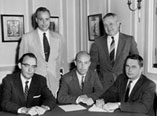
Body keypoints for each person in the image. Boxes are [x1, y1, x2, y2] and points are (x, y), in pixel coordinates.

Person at [19, 7, 65, 98]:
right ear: (36, 20)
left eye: (47, 19)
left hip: (54, 83)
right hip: (35, 81)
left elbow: (62, 61)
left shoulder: (58, 38)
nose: (44, 23)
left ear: (50, 19)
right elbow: (22, 63)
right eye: (41, 19)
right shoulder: (27, 38)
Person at [90, 13, 139, 91]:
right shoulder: (98, 42)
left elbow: (136, 63)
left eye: (111, 24)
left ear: (118, 24)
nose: (108, 28)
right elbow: (91, 66)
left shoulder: (128, 40)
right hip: (103, 87)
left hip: (124, 85)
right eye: (105, 25)